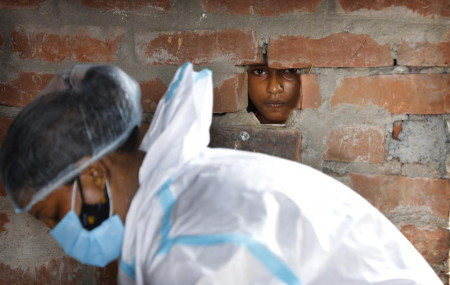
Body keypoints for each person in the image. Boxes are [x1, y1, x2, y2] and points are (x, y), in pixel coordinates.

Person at [0, 63, 442, 285]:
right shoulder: (189, 194)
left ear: (93, 178)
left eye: (54, 214)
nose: (62, 235)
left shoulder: (190, 246)